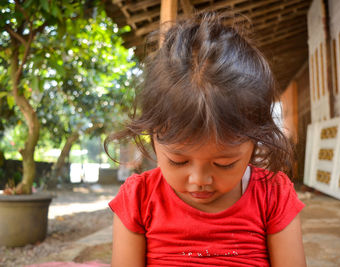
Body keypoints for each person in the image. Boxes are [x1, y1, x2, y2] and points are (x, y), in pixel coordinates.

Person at [106, 12, 306, 267]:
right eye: (178, 161)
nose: (199, 181)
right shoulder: (138, 199)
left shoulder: (272, 196)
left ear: (255, 141)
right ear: (153, 136)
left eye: (224, 163)